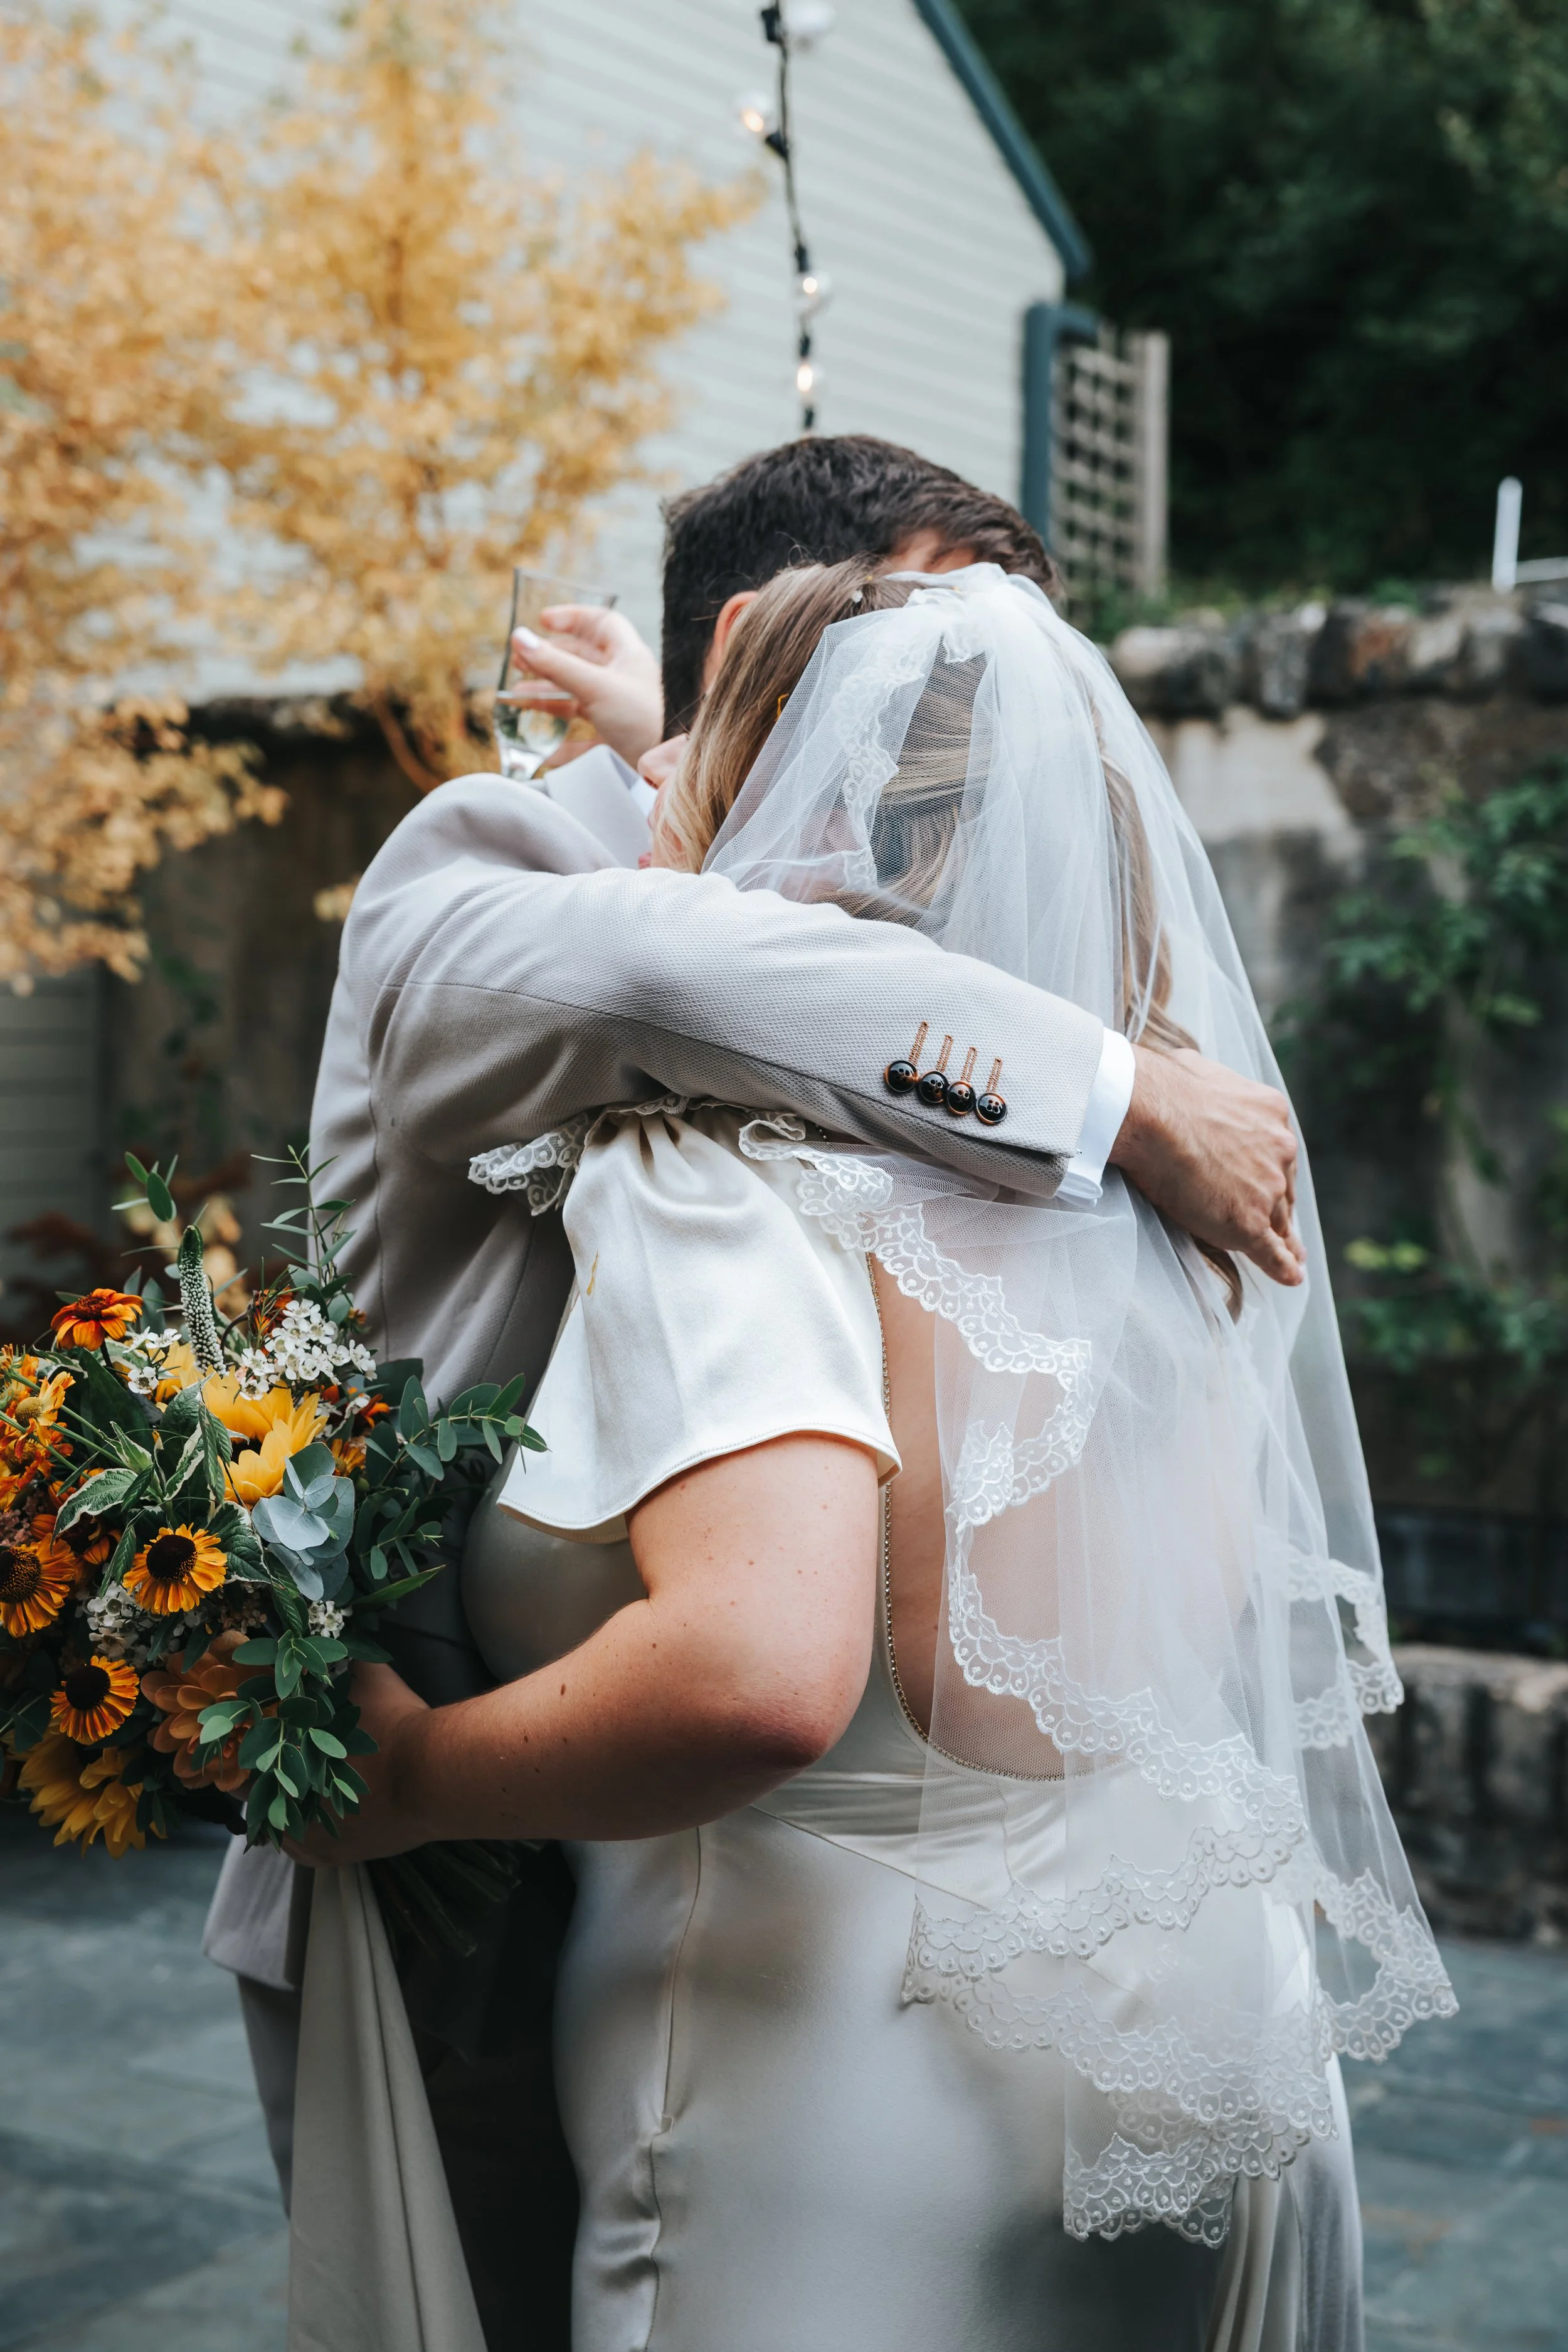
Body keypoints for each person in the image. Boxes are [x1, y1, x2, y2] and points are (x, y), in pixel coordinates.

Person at [204, 436, 1303, 2348]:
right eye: (921, 665)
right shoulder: (509, 870)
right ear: (773, 657)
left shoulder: (957, 1099)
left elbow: (764, 1663)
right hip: (492, 1826)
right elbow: (673, 964)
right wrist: (1114, 1095)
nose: (979, 733)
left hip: (731, 1921)